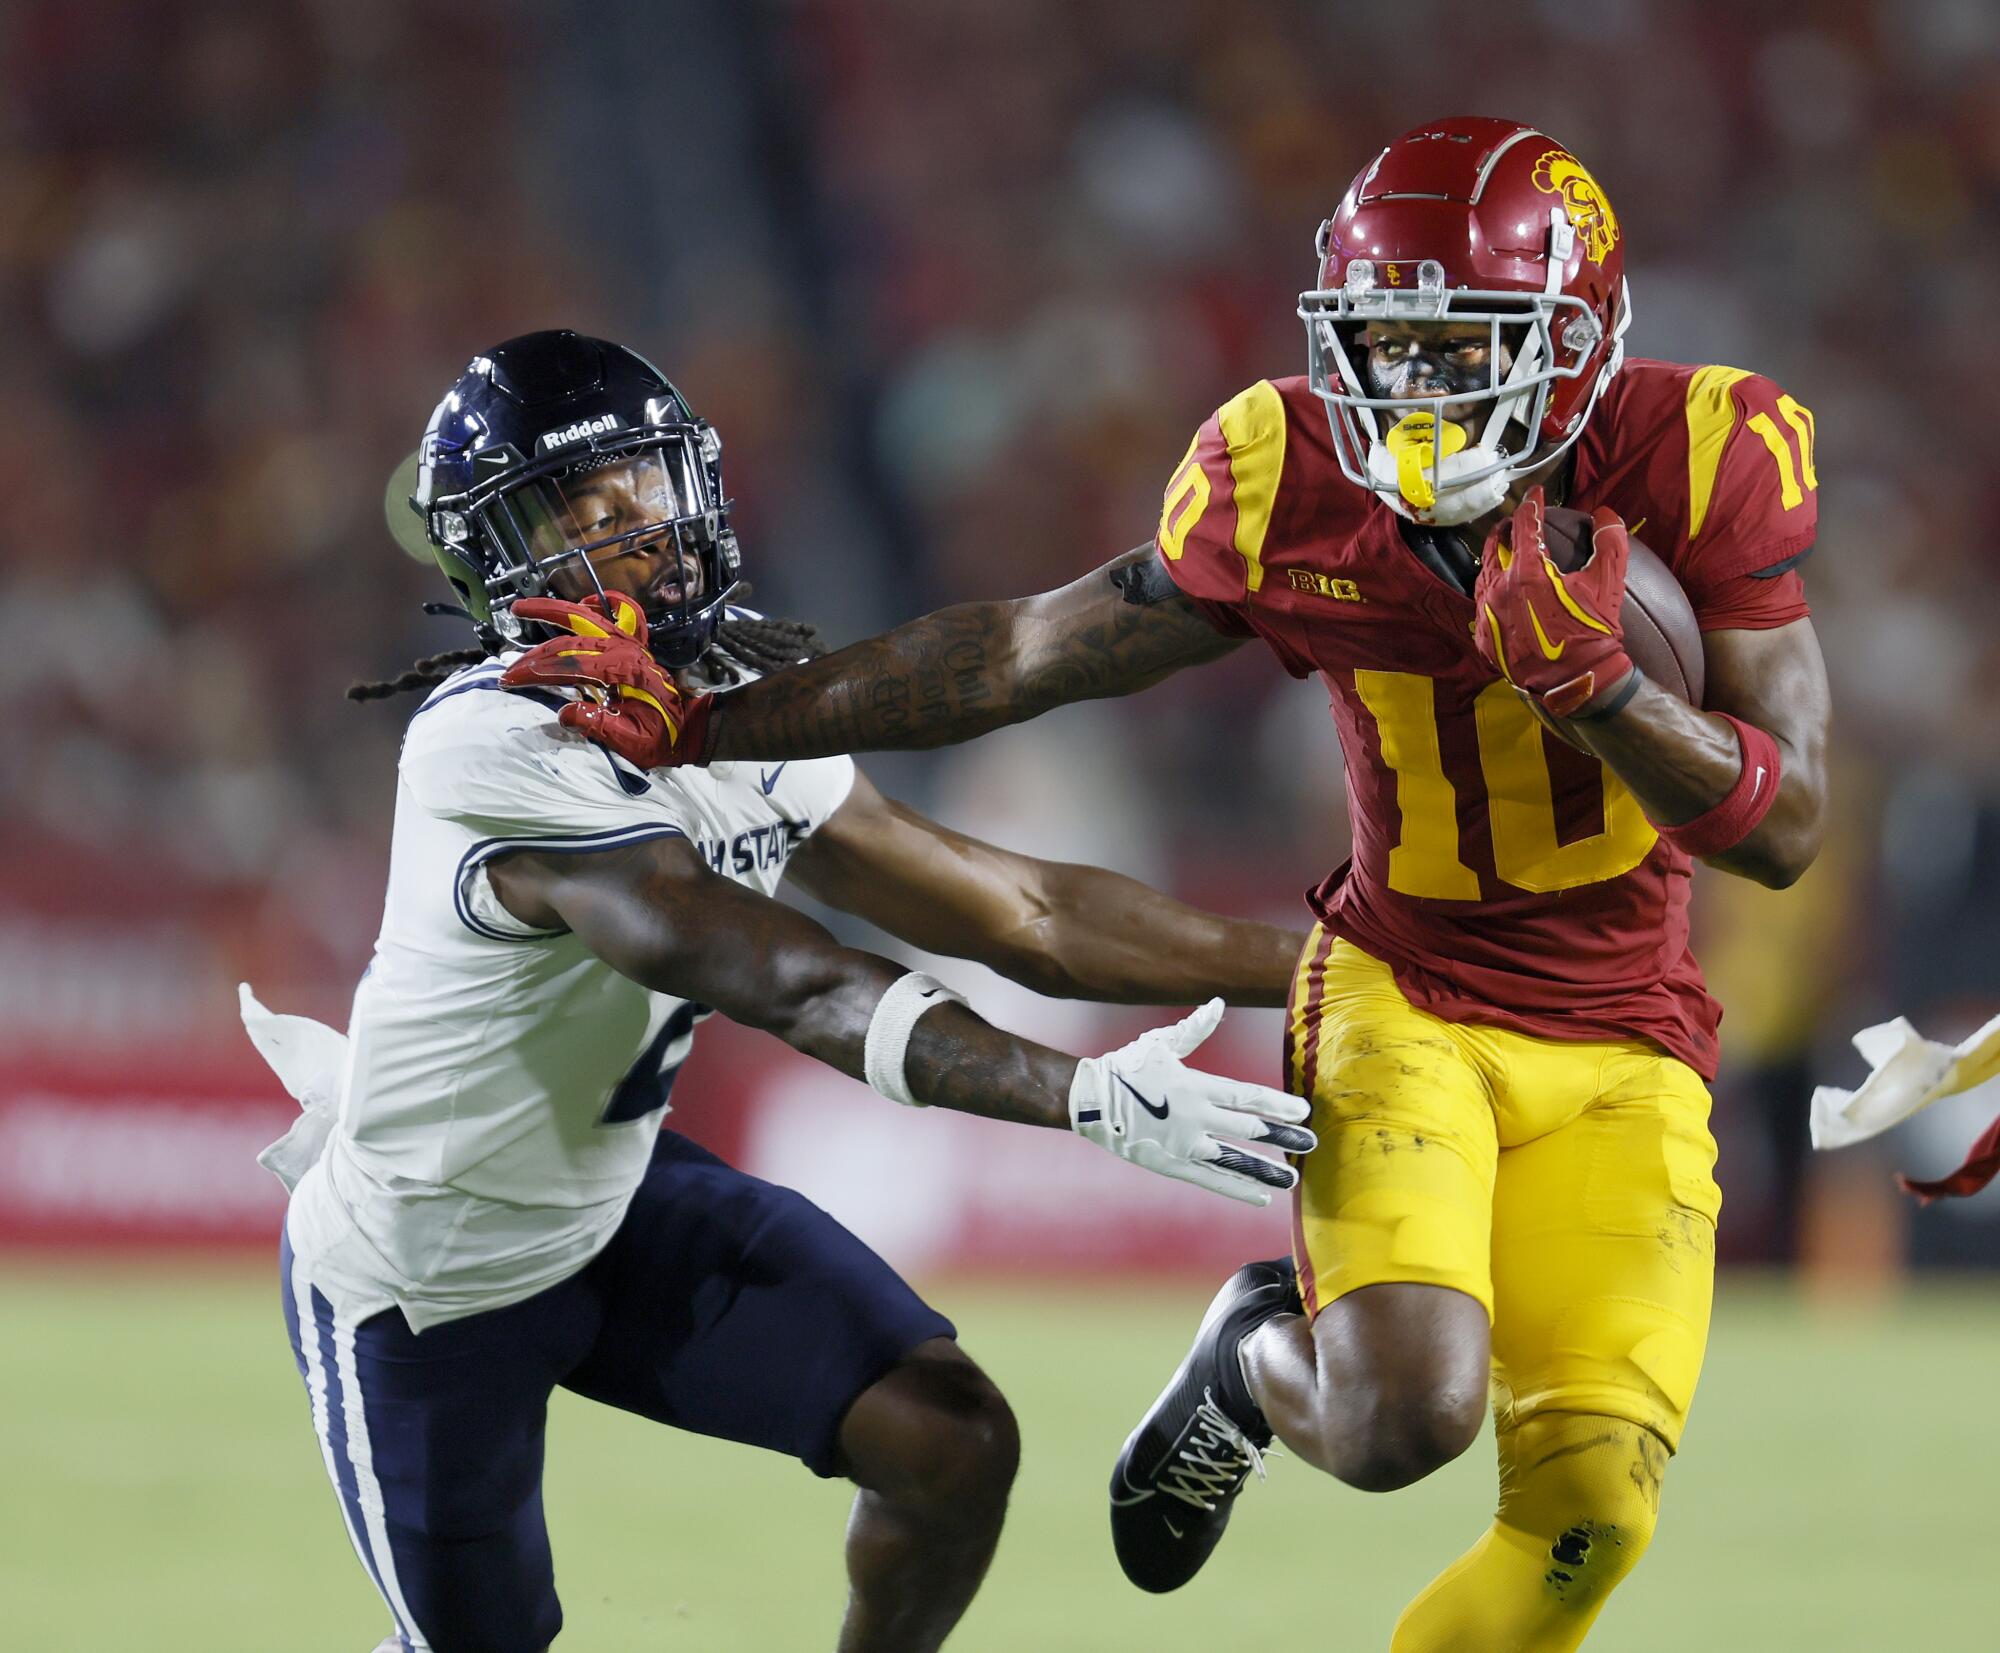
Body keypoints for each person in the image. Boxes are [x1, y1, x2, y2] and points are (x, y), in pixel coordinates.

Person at [521, 119, 1835, 1651]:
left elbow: (1787, 828)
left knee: (1588, 1522)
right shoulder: (1289, 474)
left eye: (1455, 345)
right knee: (1404, 1418)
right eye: (1382, 343)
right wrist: (716, 719)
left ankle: (1256, 1347)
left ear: (1579, 338)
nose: (1410, 388)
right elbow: (1017, 653)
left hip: (1628, 1030)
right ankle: (1258, 1356)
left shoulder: (1709, 446)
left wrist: (1600, 688)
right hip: (1402, 987)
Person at [252, 329, 1318, 1653]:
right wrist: (1084, 1095)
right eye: (575, 510)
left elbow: (1016, 909)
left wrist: (1336, 967)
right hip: (427, 1269)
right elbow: (775, 973)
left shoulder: (722, 703)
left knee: (948, 1438)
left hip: (611, 1200)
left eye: (637, 482)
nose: (628, 527)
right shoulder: (487, 743)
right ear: (496, 558)